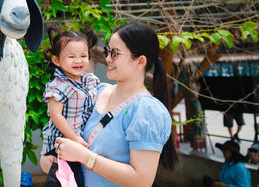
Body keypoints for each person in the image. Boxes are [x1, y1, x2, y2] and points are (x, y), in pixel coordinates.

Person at [40, 22, 179, 186]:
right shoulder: (94, 92)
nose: (107, 59)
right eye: (107, 51)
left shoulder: (147, 111)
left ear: (140, 61)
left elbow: (142, 180)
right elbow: (49, 155)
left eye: (115, 53)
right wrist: (49, 159)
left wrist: (84, 156)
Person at [41, 24, 101, 187]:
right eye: (71, 57)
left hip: (79, 143)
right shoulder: (58, 85)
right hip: (62, 144)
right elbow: (56, 115)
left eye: (83, 55)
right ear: (56, 60)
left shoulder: (89, 80)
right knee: (69, 181)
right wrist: (73, 138)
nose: (78, 61)